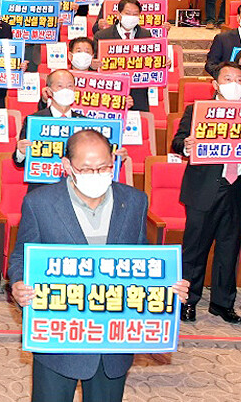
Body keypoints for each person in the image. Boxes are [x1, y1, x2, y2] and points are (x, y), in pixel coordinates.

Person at [9, 128, 186, 402]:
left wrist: (167, 286)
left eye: (103, 167)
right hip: (59, 340)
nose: (96, 175)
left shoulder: (135, 201)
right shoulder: (40, 203)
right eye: (87, 168)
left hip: (112, 343)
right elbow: (21, 254)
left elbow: (143, 258)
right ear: (67, 166)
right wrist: (19, 284)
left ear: (113, 163)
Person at [170, 62, 241, 325]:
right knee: (195, 250)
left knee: (229, 250)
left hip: (237, 188)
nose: (234, 84)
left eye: (239, 79)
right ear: (215, 84)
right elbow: (176, 142)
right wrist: (186, 145)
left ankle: (223, 303)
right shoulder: (196, 110)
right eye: (228, 79)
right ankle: (188, 301)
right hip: (204, 189)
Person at [91, 0, 152, 112]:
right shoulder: (102, 36)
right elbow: (94, 67)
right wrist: (92, 65)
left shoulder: (146, 35)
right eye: (128, 13)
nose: (131, 17)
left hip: (138, 94)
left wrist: (163, 64)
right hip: (111, 93)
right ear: (119, 15)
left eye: (135, 14)